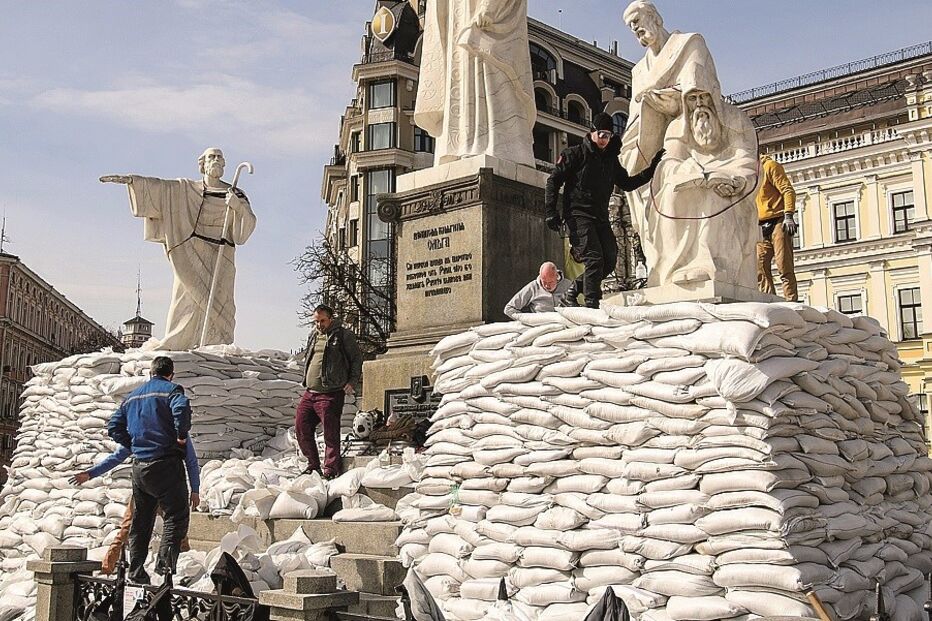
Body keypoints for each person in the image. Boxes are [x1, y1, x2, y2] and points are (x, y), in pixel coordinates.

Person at [619, 0, 760, 290]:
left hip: (722, 172)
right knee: (667, 190)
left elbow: (746, 159)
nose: (639, 32)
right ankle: (671, 269)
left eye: (640, 23)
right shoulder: (639, 74)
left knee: (710, 197)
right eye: (633, 30)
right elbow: (660, 146)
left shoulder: (689, 44)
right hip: (663, 142)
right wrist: (682, 172)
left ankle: (707, 263)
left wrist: (734, 179)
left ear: (655, 18)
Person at [100, 148, 257, 350]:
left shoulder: (235, 193)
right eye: (211, 156)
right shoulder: (186, 188)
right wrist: (133, 181)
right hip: (190, 251)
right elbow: (162, 188)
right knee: (185, 298)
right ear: (202, 164)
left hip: (222, 253)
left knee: (222, 302)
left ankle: (214, 344)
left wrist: (238, 207)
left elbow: (245, 230)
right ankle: (179, 343)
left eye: (219, 157)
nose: (216, 160)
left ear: (224, 164)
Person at [545, 112, 663, 308]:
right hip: (577, 215)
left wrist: (652, 169)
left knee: (609, 260)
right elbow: (553, 181)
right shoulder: (575, 154)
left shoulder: (610, 161)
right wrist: (551, 211)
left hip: (600, 217)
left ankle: (573, 290)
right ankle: (592, 303)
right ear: (592, 132)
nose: (604, 139)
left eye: (608, 136)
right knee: (594, 258)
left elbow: (626, 183)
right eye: (601, 134)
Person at [107, 356, 192, 584]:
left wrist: (132, 443)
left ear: (150, 373)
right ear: (171, 373)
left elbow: (113, 425)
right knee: (176, 515)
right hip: (165, 464)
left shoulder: (133, 396)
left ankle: (136, 571)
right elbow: (182, 410)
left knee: (141, 520)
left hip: (139, 467)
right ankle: (164, 570)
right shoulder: (173, 391)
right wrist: (181, 436)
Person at [69, 438, 200, 575]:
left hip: (148, 484)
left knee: (164, 528)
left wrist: (91, 473)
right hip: (166, 486)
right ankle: (113, 567)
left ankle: (177, 564)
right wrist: (195, 489)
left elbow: (118, 456)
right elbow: (190, 460)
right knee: (171, 527)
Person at [297, 305, 362, 479]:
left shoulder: (342, 335)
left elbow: (356, 359)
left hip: (331, 392)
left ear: (331, 319)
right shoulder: (313, 335)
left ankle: (331, 470)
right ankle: (313, 465)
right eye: (316, 321)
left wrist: (352, 381)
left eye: (322, 321)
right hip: (310, 392)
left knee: (330, 433)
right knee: (301, 427)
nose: (319, 325)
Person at [756, 154, 799, 301]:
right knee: (759, 267)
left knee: (784, 265)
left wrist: (788, 215)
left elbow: (787, 190)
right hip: (760, 225)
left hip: (779, 220)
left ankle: (791, 301)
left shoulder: (770, 166)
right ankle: (769, 301)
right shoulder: (748, 173)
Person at [504, 261, 574, 319]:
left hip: (564, 325)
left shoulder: (568, 285)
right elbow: (509, 309)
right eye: (544, 282)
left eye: (550, 282)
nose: (547, 286)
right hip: (541, 327)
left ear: (557, 276)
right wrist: (527, 319)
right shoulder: (532, 287)